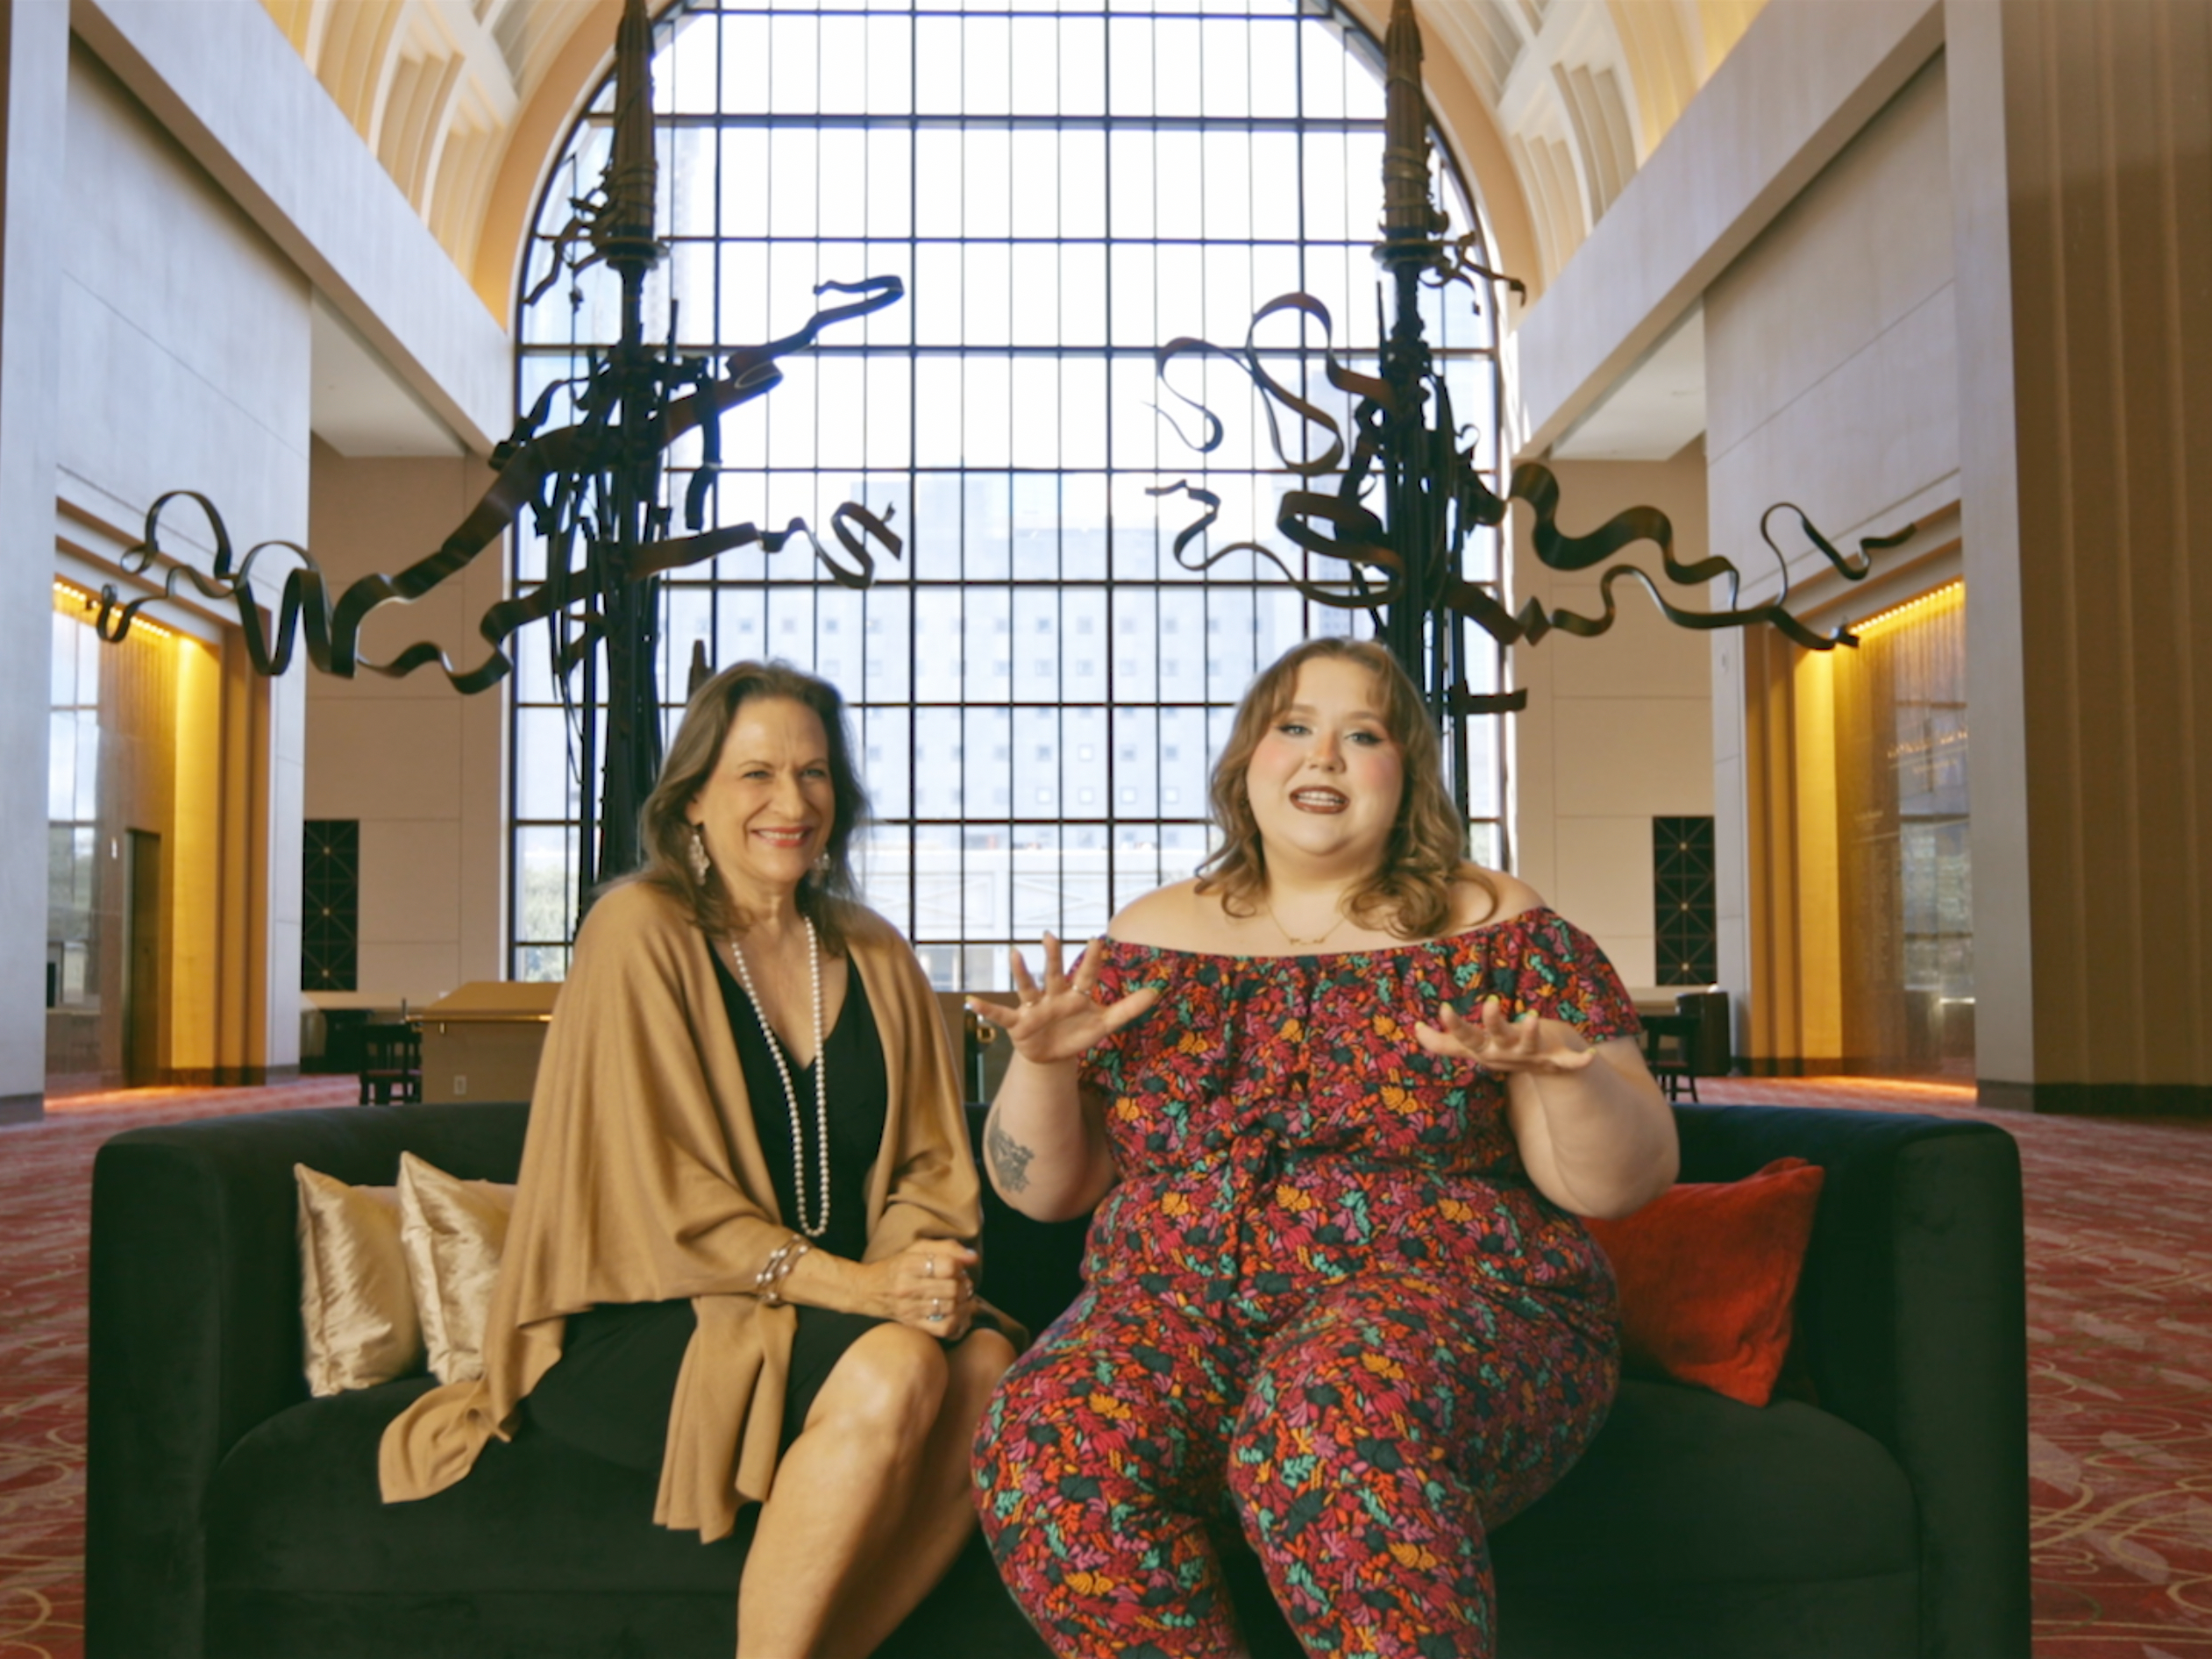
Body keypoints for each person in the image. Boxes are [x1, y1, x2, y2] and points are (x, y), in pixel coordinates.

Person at [969, 637, 1677, 1658]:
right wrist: (1037, 1067)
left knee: (1324, 1407)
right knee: (1042, 1433)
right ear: (1246, 762)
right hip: (1175, 1317)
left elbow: (1622, 1182)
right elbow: (1047, 1190)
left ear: (1409, 772)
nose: (1325, 756)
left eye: (1364, 733)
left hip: (1447, 1306)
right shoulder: (1144, 939)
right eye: (1294, 727)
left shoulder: (1501, 928)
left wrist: (1562, 1069)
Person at [381, 661, 1016, 1658]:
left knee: (984, 1362)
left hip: (839, 1305)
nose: (790, 800)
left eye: (813, 774)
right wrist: (868, 1291)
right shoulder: (637, 931)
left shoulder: (877, 951)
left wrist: (919, 1272)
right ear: (693, 801)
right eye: (755, 772)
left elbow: (930, 1167)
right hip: (643, 1313)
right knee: (895, 1366)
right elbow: (657, 1197)